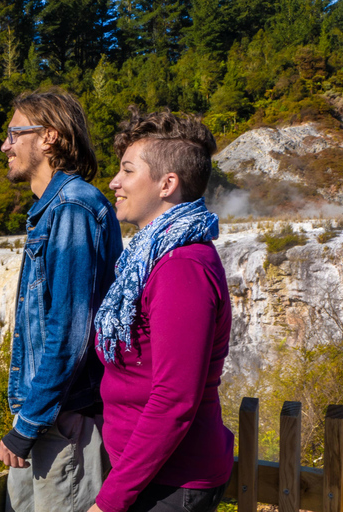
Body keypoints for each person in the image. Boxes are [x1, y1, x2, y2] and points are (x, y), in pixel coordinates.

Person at [91, 108, 234, 512]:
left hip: (171, 483)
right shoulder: (149, 258)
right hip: (148, 473)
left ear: (167, 184)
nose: (114, 182)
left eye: (127, 171)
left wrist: (110, 501)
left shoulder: (181, 267)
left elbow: (174, 400)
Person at [0, 90, 123, 512]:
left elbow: (69, 329)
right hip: (45, 414)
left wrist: (29, 423)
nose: (5, 145)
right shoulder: (51, 210)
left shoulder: (72, 207)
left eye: (15, 133)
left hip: (60, 419)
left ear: (48, 137)